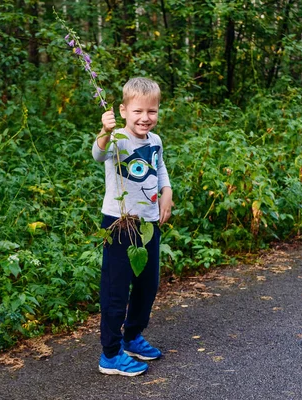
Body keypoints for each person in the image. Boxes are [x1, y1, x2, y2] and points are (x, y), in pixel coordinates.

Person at [92, 77, 173, 376]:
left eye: (152, 111)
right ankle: (111, 354)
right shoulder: (117, 140)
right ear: (124, 111)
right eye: (138, 111)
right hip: (118, 223)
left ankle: (132, 337)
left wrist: (167, 192)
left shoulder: (155, 141)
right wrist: (104, 132)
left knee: (147, 284)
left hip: (148, 224)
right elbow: (98, 154)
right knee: (115, 289)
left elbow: (160, 168)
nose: (145, 118)